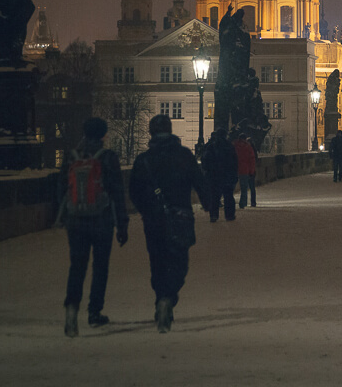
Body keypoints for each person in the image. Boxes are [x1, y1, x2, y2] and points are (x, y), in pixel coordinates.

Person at [129, 114, 207, 333]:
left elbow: (133, 191)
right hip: (180, 216)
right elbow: (199, 181)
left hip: (153, 219)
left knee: (158, 261)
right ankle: (169, 298)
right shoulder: (184, 155)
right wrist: (208, 202)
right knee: (180, 262)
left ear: (151, 133)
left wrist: (146, 210)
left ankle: (161, 297)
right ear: (171, 130)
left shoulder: (143, 159)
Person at [58, 117, 129, 338]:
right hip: (102, 220)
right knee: (100, 267)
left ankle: (71, 310)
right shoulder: (107, 157)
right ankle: (94, 312)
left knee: (77, 266)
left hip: (76, 219)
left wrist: (63, 216)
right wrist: (122, 225)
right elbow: (118, 192)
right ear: (103, 135)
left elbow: (61, 188)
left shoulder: (72, 156)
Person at [202, 128, 239, 222]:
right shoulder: (229, 147)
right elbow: (234, 162)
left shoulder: (211, 146)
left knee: (214, 197)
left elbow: (205, 161)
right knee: (228, 196)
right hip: (227, 175)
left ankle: (214, 215)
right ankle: (229, 215)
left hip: (214, 175)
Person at [234, 133, 257, 209]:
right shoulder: (248, 147)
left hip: (234, 169)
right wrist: (252, 171)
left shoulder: (234, 146)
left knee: (231, 187)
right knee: (244, 188)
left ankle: (229, 201)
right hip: (245, 169)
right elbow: (252, 160)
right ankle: (243, 203)